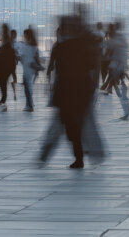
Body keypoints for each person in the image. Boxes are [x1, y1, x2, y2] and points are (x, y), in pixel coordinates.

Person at [42, 11, 102, 169]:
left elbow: (57, 70)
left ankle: (78, 155)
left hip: (69, 92)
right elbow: (91, 68)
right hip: (76, 91)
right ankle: (83, 154)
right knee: (72, 125)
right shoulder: (70, 46)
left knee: (70, 125)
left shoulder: (65, 47)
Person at [105, 22, 129, 120]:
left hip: (119, 66)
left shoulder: (117, 39)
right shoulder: (117, 38)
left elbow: (110, 48)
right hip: (117, 66)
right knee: (120, 88)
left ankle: (126, 111)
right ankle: (125, 109)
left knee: (122, 89)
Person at [17, 27, 44, 112]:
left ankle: (30, 105)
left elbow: (24, 57)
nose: (24, 36)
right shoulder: (31, 45)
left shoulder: (28, 46)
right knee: (28, 87)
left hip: (29, 69)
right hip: (30, 68)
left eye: (25, 35)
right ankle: (29, 105)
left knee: (28, 88)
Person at [0, 25, 18, 108]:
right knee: (3, 83)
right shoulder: (6, 40)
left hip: (6, 66)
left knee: (3, 83)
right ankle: (3, 100)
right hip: (7, 66)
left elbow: (7, 53)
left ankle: (3, 100)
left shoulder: (7, 40)